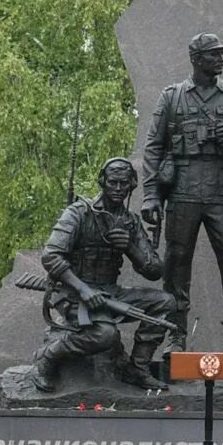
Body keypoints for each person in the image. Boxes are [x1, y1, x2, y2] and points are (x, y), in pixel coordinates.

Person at [139, 31, 223, 353]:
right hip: (181, 192)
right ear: (196, 59)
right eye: (213, 54)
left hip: (221, 191)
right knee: (177, 263)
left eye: (220, 54)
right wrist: (151, 195)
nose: (220, 58)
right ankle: (175, 337)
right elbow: (152, 149)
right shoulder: (172, 97)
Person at [33, 159, 173, 393]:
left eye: (124, 184)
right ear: (103, 182)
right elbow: (50, 256)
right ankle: (48, 357)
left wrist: (131, 247)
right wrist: (83, 289)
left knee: (166, 303)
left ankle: (136, 368)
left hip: (110, 293)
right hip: (73, 294)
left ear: (132, 185)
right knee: (105, 334)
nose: (118, 189)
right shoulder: (79, 213)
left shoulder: (130, 222)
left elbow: (154, 271)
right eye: (113, 183)